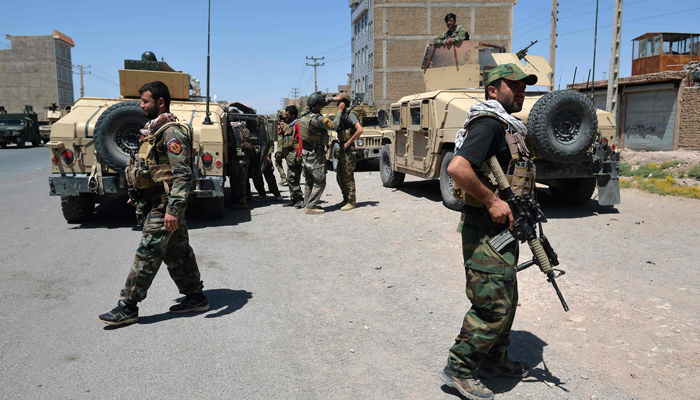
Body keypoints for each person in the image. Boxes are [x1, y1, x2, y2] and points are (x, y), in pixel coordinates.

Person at [439, 63, 538, 400]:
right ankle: (460, 368)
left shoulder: (510, 127)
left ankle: (493, 358)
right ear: (493, 90)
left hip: (503, 230)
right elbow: (457, 168)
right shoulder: (489, 124)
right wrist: (492, 201)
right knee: (492, 302)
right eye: (515, 85)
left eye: (525, 85)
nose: (522, 90)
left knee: (506, 297)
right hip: (485, 228)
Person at [99, 81, 207, 326]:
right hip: (155, 201)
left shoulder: (171, 133)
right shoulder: (153, 131)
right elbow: (151, 169)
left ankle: (128, 306)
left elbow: (182, 175)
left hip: (165, 204)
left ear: (160, 102)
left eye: (145, 101)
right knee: (177, 252)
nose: (141, 106)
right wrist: (137, 191)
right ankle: (196, 297)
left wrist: (173, 210)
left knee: (147, 253)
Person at [298, 91, 341, 214]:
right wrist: (340, 111)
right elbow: (334, 125)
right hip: (315, 154)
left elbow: (315, 102)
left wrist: (333, 99)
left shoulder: (304, 114)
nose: (322, 106)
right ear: (317, 105)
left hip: (306, 153)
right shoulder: (318, 119)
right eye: (320, 105)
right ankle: (311, 206)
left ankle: (307, 203)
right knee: (320, 182)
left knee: (309, 180)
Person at [332, 94, 363, 211]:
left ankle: (351, 201)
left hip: (348, 150)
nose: (338, 105)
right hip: (342, 149)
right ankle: (345, 199)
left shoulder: (351, 115)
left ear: (344, 103)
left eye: (340, 102)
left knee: (348, 176)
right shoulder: (342, 115)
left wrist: (349, 142)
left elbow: (360, 130)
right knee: (340, 176)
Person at [281, 105, 304, 208]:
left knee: (293, 177)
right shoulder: (290, 125)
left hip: (295, 154)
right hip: (290, 154)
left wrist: (299, 155)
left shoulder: (298, 124)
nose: (286, 116)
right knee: (291, 177)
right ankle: (294, 199)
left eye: (287, 114)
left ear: (293, 115)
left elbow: (300, 140)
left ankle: (299, 199)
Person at [227, 121, 254, 209]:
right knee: (244, 178)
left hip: (237, 157)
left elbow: (230, 143)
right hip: (245, 156)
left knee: (237, 180)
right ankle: (247, 196)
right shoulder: (244, 128)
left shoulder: (231, 128)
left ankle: (241, 202)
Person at [274, 112, 288, 186]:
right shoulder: (290, 124)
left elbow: (280, 138)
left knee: (277, 161)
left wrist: (279, 150)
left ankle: (283, 176)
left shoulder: (280, 125)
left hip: (282, 148)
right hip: (290, 148)